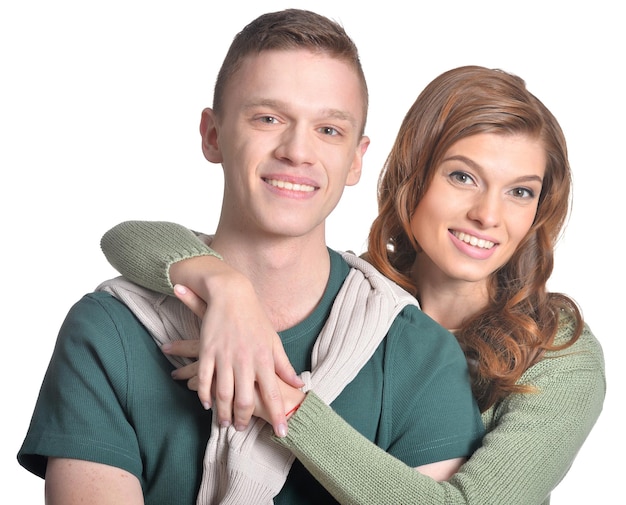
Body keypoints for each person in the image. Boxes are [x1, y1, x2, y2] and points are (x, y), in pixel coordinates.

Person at [17, 9, 485, 505]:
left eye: (329, 130)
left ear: (356, 160)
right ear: (213, 135)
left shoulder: (417, 353)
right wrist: (227, 288)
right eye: (268, 118)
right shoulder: (109, 331)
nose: (297, 151)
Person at [98, 65, 605, 504]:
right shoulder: (361, 296)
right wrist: (226, 287)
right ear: (414, 175)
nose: (488, 215)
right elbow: (129, 238)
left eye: (520, 192)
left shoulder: (558, 350)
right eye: (462, 177)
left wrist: (285, 403)